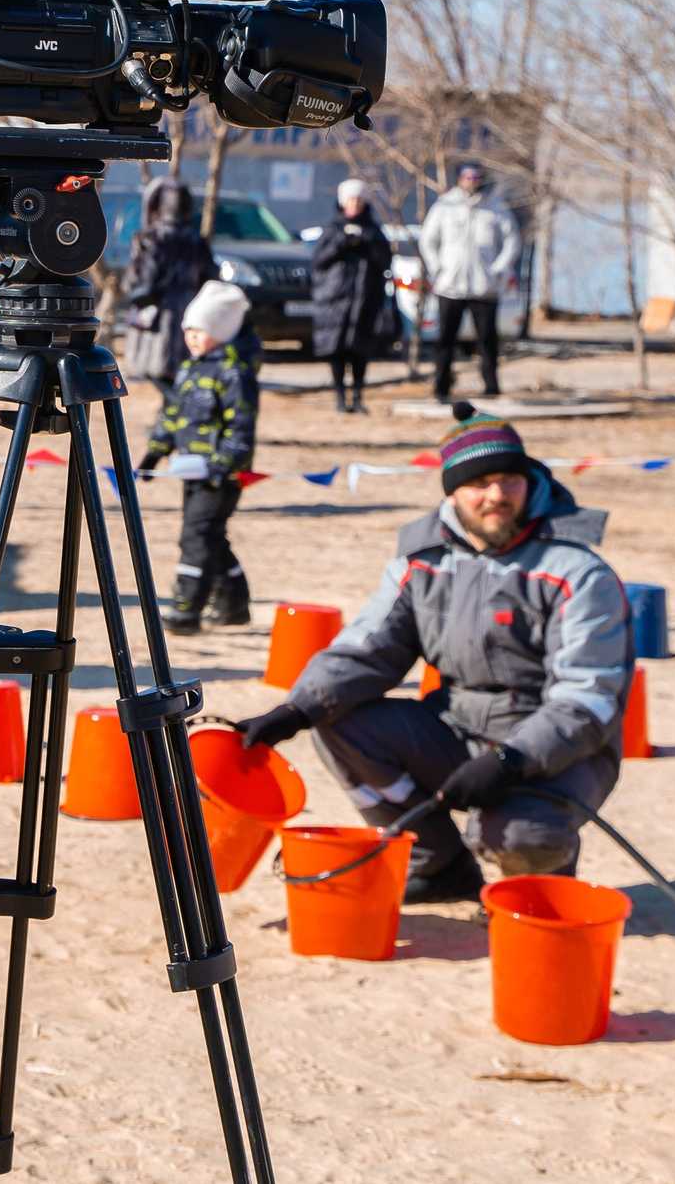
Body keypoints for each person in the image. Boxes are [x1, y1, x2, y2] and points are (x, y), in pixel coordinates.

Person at [231, 405, 629, 902]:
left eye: (509, 479)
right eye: (478, 483)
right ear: (452, 491)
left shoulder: (578, 572)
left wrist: (510, 759)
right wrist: (295, 710)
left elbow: (586, 698)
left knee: (517, 836)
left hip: (565, 750)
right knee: (340, 724)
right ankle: (439, 864)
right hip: (459, 729)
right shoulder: (421, 563)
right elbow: (367, 647)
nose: (496, 496)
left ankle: (538, 888)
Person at [139, 280, 260, 633]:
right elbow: (172, 415)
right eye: (189, 329)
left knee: (196, 535)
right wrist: (154, 454)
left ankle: (185, 608)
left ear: (223, 331)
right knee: (210, 536)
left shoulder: (234, 373)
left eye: (202, 330)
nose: (193, 336)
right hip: (191, 471)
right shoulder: (190, 371)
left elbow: (241, 427)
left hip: (222, 475)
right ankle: (234, 604)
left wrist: (222, 466)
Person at [416, 162, 520, 401]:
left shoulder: (495, 206)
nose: (470, 180)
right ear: (459, 178)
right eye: (466, 176)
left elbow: (512, 240)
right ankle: (441, 387)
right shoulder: (445, 205)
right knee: (445, 340)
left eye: (475, 176)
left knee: (487, 341)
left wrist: (498, 269)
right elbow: (428, 240)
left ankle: (491, 388)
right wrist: (437, 268)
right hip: (449, 286)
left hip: (484, 288)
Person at [121, 178, 216, 390]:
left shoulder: (153, 236)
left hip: (158, 315)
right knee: (178, 375)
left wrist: (131, 285)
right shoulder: (196, 239)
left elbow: (143, 277)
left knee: (154, 371)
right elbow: (210, 277)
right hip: (190, 314)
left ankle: (174, 414)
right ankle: (171, 415)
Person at [311, 177, 394, 413]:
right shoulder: (331, 229)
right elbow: (318, 262)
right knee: (337, 350)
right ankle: (339, 398)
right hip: (335, 301)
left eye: (358, 199)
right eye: (350, 200)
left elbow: (385, 262)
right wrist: (341, 245)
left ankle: (357, 397)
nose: (355, 204)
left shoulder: (374, 231)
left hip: (366, 301)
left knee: (360, 350)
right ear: (342, 202)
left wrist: (367, 245)